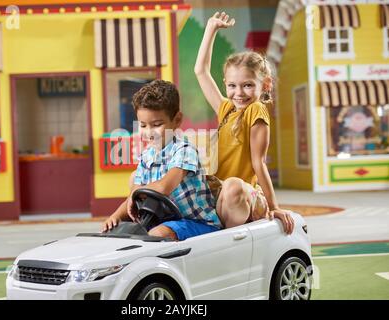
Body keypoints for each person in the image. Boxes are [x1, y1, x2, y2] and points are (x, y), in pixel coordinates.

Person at [194, 12, 294, 234]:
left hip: (245, 195)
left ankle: (231, 242)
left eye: (247, 85)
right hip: (223, 193)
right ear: (226, 84)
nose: (238, 93)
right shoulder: (227, 109)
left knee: (232, 185)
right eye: (232, 86)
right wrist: (210, 29)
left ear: (265, 84)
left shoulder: (256, 110)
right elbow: (200, 71)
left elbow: (259, 163)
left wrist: (275, 207)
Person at [102, 79, 222, 240]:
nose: (149, 132)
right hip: (163, 222)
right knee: (117, 233)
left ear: (177, 120)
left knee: (157, 234)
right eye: (143, 125)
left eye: (157, 124)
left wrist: (136, 193)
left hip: (197, 223)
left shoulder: (184, 150)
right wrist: (115, 216)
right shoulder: (146, 156)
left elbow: (164, 186)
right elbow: (135, 194)